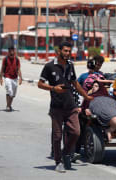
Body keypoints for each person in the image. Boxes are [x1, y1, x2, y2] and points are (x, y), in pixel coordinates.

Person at [38, 41, 92, 173]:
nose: (68, 53)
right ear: (59, 51)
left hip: (71, 105)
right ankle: (58, 162)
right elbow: (40, 84)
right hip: (56, 107)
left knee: (76, 132)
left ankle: (65, 153)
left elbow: (75, 83)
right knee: (57, 136)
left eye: (69, 51)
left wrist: (86, 96)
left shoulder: (70, 65)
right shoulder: (49, 66)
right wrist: (53, 88)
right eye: (65, 51)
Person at [0, 47, 22, 112]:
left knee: (13, 94)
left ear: (14, 52)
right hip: (7, 77)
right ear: (8, 52)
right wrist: (0, 78)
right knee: (10, 91)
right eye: (10, 52)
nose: (12, 53)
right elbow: (2, 68)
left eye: (13, 52)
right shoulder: (5, 59)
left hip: (15, 78)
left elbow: (18, 69)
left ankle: (9, 105)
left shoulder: (17, 59)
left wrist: (20, 78)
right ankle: (8, 106)